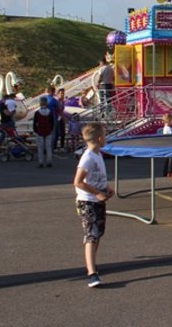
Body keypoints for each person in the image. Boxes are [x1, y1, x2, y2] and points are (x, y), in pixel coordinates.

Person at [73, 123, 113, 288]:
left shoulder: (98, 155)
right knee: (92, 234)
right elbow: (78, 181)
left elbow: (97, 177)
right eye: (105, 135)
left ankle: (92, 263)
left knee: (98, 232)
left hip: (97, 200)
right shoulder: (88, 157)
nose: (106, 137)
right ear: (99, 138)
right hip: (87, 201)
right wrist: (96, 193)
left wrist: (106, 189)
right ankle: (92, 273)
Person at [33, 96, 55, 168]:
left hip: (40, 130)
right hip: (48, 130)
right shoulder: (50, 112)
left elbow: (35, 123)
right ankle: (49, 161)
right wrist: (51, 129)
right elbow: (52, 122)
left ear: (40, 103)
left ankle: (41, 162)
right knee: (48, 147)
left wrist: (35, 130)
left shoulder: (37, 113)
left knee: (40, 147)